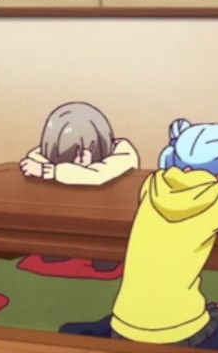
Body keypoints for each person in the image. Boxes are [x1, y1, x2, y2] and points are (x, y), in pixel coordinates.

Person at [60, 118, 218, 349]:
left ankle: (108, 330)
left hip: (123, 323)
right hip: (181, 333)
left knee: (142, 309)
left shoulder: (153, 183)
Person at [18, 101, 140, 275]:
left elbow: (97, 176)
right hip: (65, 216)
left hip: (108, 221)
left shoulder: (124, 153)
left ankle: (103, 253)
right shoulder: (44, 156)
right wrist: (69, 168)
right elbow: (34, 158)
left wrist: (52, 171)